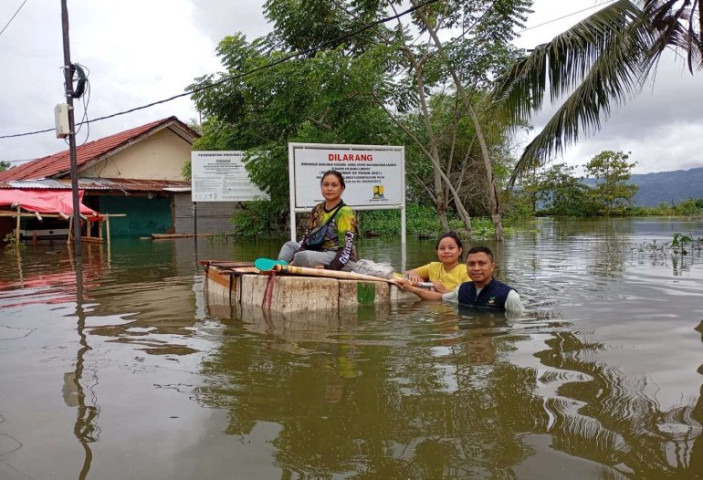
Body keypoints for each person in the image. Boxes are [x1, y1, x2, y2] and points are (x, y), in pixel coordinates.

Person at [398, 246, 524, 313]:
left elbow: (520, 321)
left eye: (481, 263)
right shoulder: (463, 289)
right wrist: (411, 288)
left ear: (492, 267)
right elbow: (439, 298)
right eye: (471, 264)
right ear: (467, 266)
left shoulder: (508, 295)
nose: (476, 268)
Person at [277, 170, 357, 271]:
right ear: (321, 187)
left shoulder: (345, 212)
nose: (329, 188)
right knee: (289, 246)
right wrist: (294, 256)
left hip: (339, 257)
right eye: (326, 184)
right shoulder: (317, 209)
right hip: (318, 251)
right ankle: (281, 266)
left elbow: (346, 249)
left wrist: (329, 267)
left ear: (342, 189)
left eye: (334, 185)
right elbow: (307, 238)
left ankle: (290, 265)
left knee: (302, 256)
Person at [404, 231, 470, 293]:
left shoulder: (467, 271)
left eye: (451, 248)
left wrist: (444, 290)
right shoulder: (433, 267)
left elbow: (469, 297)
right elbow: (408, 273)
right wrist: (413, 273)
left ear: (459, 251)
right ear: (437, 251)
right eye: (442, 248)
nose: (446, 251)